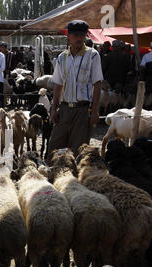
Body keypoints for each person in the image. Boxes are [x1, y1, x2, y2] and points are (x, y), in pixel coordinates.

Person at [47, 20, 103, 161]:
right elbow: (58, 84)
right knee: (54, 147)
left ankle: (74, 180)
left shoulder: (93, 55)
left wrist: (95, 110)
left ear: (85, 36)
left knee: (78, 149)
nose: (79, 38)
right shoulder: (62, 57)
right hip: (64, 109)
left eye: (82, 35)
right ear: (69, 36)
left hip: (83, 111)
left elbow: (97, 83)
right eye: (75, 35)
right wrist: (54, 109)